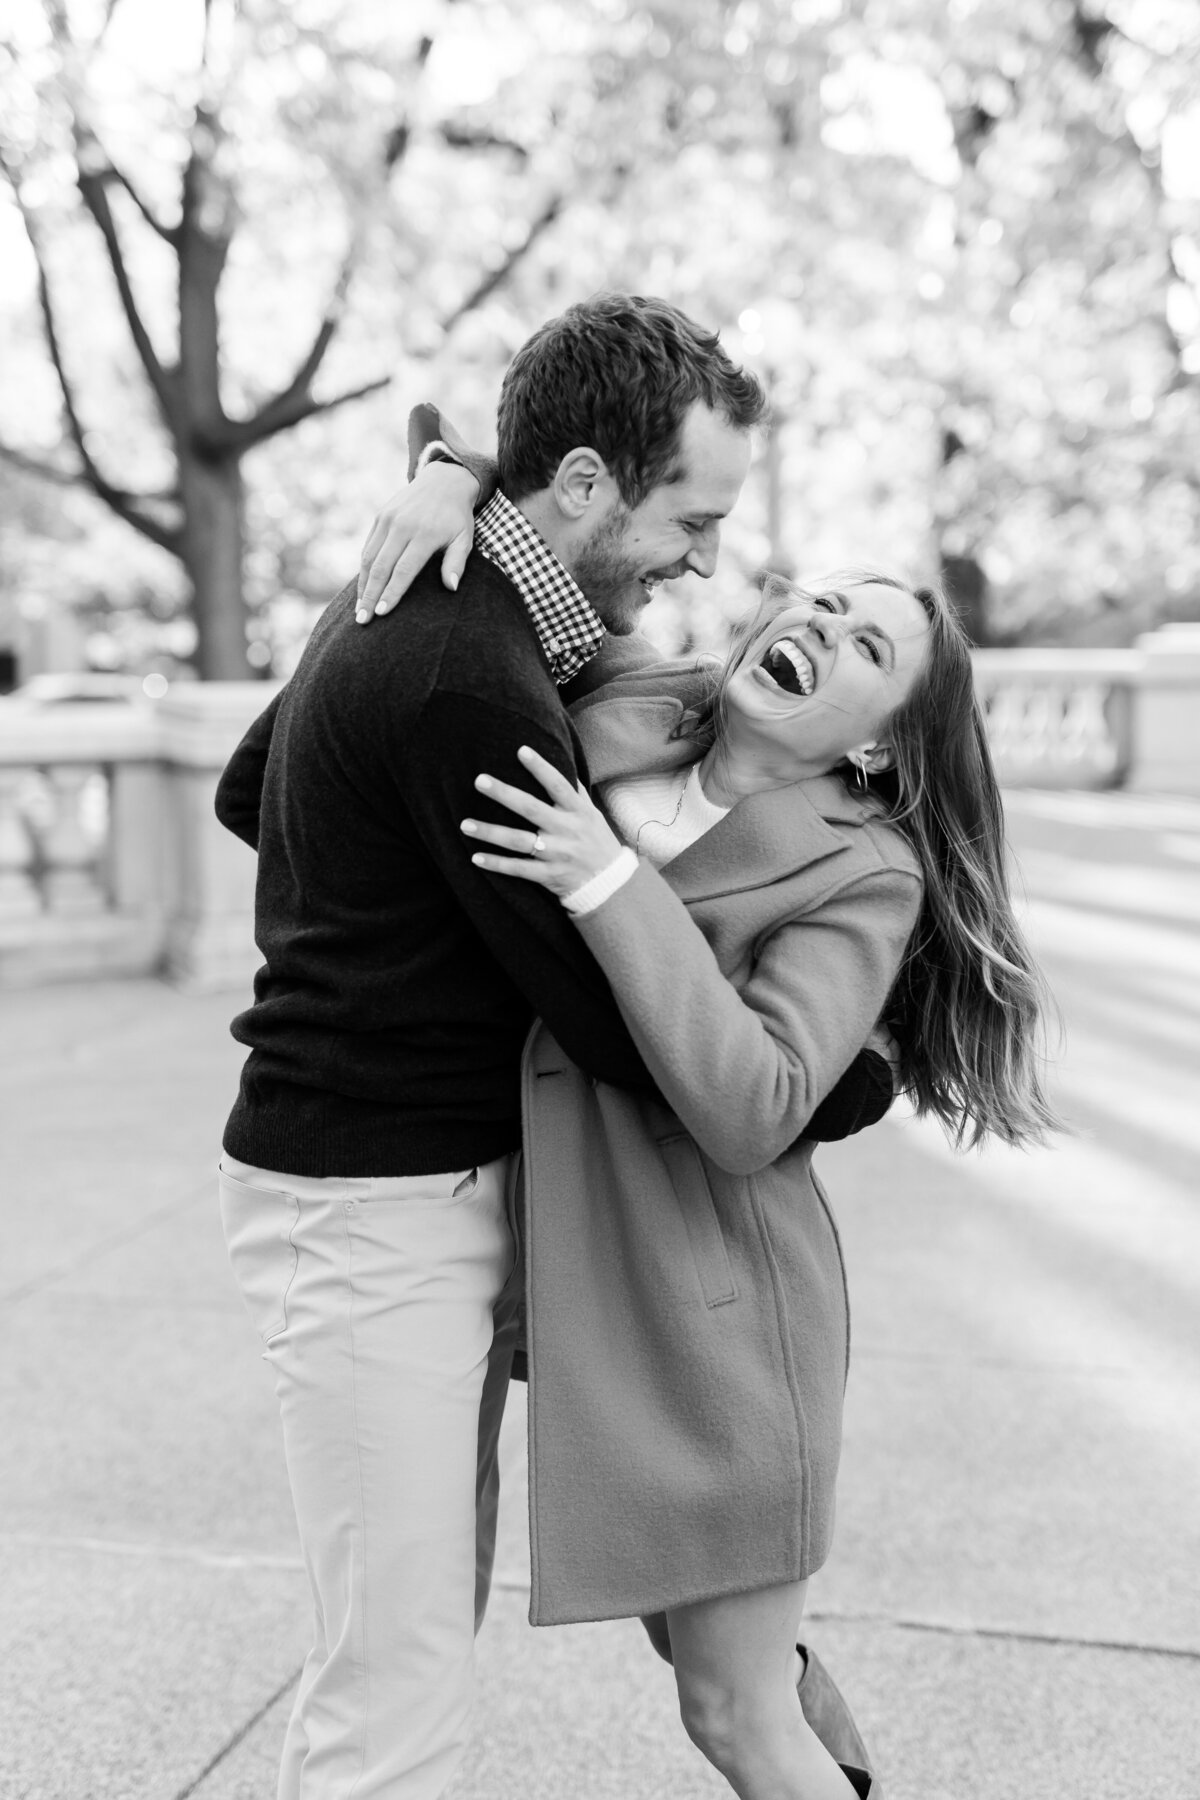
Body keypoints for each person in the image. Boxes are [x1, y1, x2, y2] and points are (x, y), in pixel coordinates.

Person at [213, 293, 888, 1800]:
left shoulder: (432, 589)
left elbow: (253, 788)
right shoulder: (471, 665)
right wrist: (838, 1086)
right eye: (688, 518)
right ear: (581, 487)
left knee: (459, 1627)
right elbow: (600, 1005)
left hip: (416, 1186)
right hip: (376, 1205)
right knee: (390, 1698)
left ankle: (777, 1708)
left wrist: (448, 471)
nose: (707, 560)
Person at [359, 468, 1055, 1800]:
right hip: (581, 1286)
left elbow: (758, 1105)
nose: (824, 624)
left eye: (868, 647)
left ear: (881, 748)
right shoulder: (635, 698)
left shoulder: (865, 867)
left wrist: (609, 883)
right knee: (732, 1670)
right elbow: (546, 512)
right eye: (829, 601)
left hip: (723, 1320)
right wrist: (448, 481)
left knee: (731, 1712)